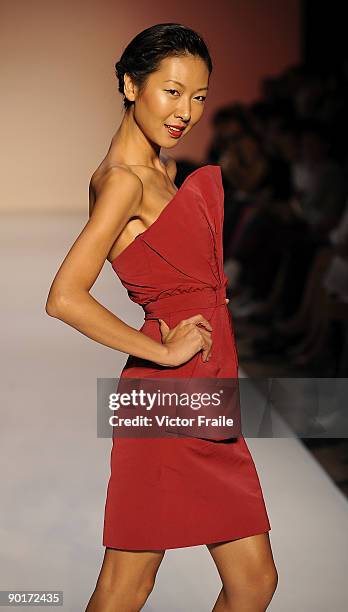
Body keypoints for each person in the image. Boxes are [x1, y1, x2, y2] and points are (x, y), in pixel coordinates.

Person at [46, 23, 278, 612]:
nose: (188, 111)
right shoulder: (122, 182)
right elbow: (65, 295)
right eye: (172, 92)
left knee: (252, 583)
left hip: (204, 390)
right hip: (169, 396)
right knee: (130, 585)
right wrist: (164, 352)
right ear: (130, 84)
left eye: (199, 96)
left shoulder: (162, 172)